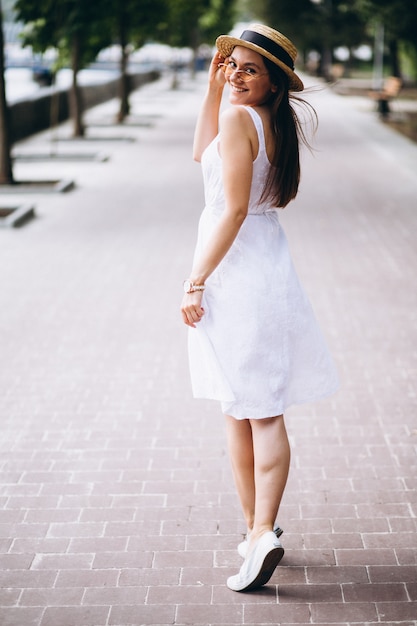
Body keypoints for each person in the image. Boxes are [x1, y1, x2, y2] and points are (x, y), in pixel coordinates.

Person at [180, 23, 339, 592]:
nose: (237, 75)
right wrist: (212, 88)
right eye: (233, 65)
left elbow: (232, 209)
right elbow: (203, 155)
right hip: (267, 267)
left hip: (236, 271)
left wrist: (195, 280)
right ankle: (255, 532)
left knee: (258, 410)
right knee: (244, 405)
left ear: (274, 81)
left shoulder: (240, 118)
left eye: (251, 68)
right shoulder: (269, 121)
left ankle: (263, 529)